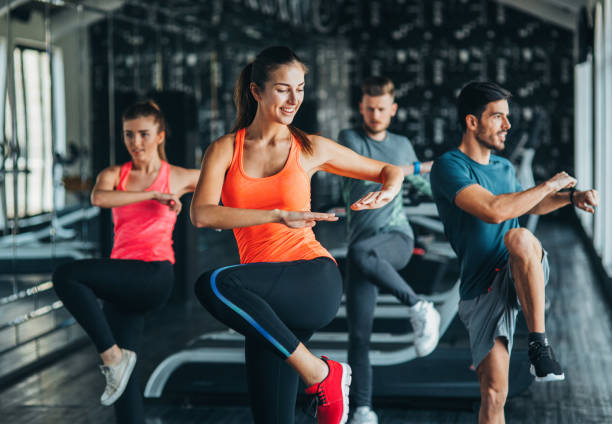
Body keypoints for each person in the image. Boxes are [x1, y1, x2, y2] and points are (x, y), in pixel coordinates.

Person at [190, 46, 404, 424]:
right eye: (283, 89)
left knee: (213, 284)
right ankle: (318, 372)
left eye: (300, 88)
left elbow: (391, 170)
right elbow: (203, 214)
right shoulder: (224, 150)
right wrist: (276, 214)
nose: (294, 99)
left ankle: (323, 374)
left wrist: (387, 190)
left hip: (311, 278)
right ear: (256, 91)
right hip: (265, 300)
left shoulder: (309, 147)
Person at [430, 81, 599, 424]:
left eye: (507, 117)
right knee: (494, 394)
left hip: (519, 266)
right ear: (472, 122)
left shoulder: (504, 168)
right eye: (498, 117)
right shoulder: (449, 166)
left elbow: (528, 205)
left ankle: (539, 344)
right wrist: (551, 185)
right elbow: (493, 209)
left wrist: (570, 197)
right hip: (481, 287)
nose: (508, 125)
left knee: (519, 238)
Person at [52, 100, 200, 424]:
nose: (136, 143)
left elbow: (224, 181)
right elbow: (100, 198)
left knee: (67, 276)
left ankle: (112, 357)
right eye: (129, 135)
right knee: (123, 385)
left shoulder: (177, 176)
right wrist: (152, 196)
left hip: (154, 275)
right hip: (122, 279)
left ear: (161, 136)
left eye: (144, 134)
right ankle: (116, 360)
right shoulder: (114, 175)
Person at [338, 76, 440, 424]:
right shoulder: (349, 139)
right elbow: (369, 175)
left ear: (393, 109)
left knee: (363, 253)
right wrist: (408, 168)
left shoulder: (401, 144)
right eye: (369, 108)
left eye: (382, 108)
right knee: (358, 334)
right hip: (360, 248)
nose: (375, 114)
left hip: (396, 238)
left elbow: (424, 186)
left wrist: (464, 194)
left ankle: (419, 307)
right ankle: (363, 409)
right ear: (360, 108)